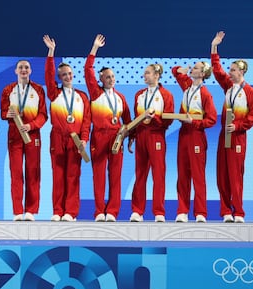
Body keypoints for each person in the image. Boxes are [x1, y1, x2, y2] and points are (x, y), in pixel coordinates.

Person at [211, 31, 253, 223]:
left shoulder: (250, 91)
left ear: (241, 72)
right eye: (229, 70)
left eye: (232, 70)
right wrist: (214, 46)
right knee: (222, 174)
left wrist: (238, 125)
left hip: (238, 137)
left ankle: (238, 212)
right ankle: (225, 211)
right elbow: (216, 70)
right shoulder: (228, 87)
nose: (229, 72)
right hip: (224, 136)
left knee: (235, 175)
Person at [43, 35, 91, 222]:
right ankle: (57, 211)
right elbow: (48, 75)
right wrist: (51, 52)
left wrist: (84, 140)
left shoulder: (82, 96)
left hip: (76, 140)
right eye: (64, 74)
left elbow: (87, 121)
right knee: (58, 175)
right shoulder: (54, 93)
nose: (68, 76)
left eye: (70, 74)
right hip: (58, 137)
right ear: (59, 77)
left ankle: (70, 212)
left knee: (73, 175)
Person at [84, 34, 131, 222]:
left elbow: (128, 121)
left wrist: (129, 138)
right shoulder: (95, 93)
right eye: (107, 77)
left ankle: (112, 211)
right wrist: (94, 48)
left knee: (116, 176)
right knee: (99, 176)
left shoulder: (120, 98)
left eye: (112, 76)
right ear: (101, 79)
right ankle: (99, 212)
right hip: (99, 136)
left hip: (116, 137)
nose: (111, 79)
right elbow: (88, 70)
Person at [1, 60, 48, 221]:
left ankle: (30, 210)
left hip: (32, 135)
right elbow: (3, 114)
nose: (23, 70)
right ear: (15, 71)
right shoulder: (8, 90)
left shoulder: (38, 90)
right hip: (14, 136)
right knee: (16, 173)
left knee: (33, 173)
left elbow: (43, 115)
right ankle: (17, 211)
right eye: (20, 67)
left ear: (31, 71)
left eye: (26, 67)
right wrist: (7, 114)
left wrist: (31, 125)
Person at [171, 62, 217, 223]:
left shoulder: (205, 94)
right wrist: (179, 70)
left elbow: (211, 119)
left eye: (196, 68)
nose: (192, 69)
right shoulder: (187, 86)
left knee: (198, 175)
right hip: (183, 134)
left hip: (196, 134)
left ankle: (200, 213)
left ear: (202, 74)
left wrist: (195, 123)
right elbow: (174, 71)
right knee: (182, 175)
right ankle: (182, 211)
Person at [129, 63, 174, 222]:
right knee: (140, 174)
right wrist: (132, 136)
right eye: (144, 73)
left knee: (158, 174)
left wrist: (153, 119)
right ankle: (137, 210)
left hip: (156, 135)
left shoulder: (166, 95)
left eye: (147, 73)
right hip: (141, 135)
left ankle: (159, 212)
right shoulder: (139, 95)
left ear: (156, 75)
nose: (144, 76)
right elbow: (135, 119)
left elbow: (168, 120)